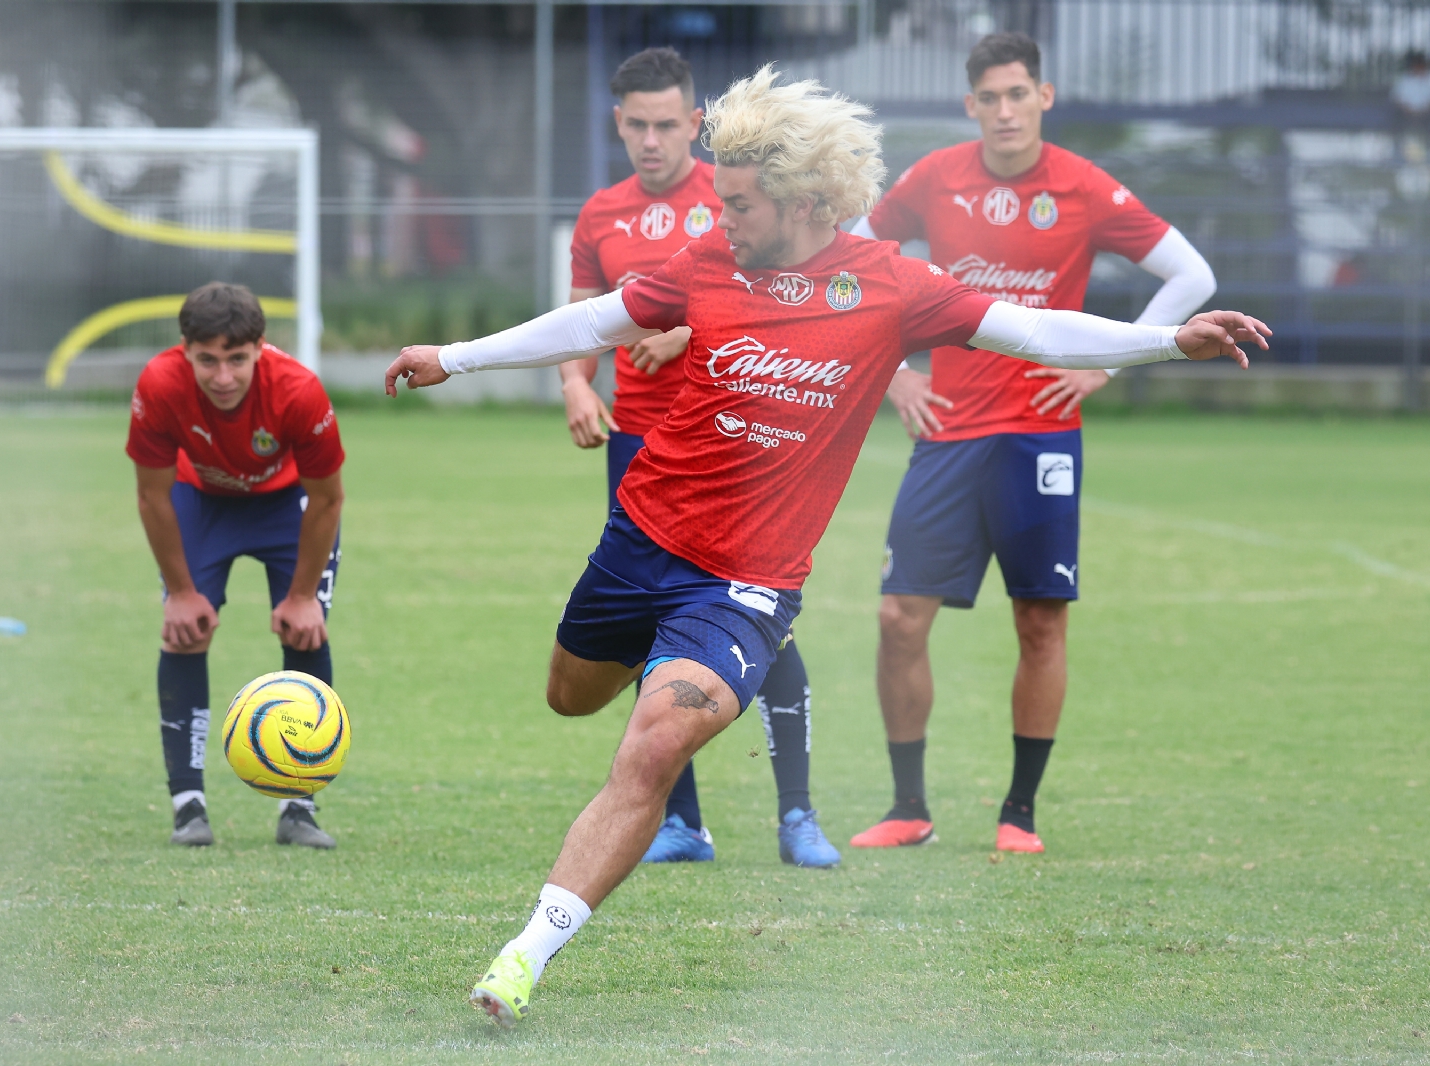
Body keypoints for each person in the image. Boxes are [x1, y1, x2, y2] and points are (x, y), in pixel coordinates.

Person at [383, 66, 1265, 1028]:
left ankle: (523, 957)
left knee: (654, 745)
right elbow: (593, 319)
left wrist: (1170, 341)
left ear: (804, 202)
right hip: (640, 541)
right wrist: (454, 358)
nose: (720, 218)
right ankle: (656, 661)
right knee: (571, 697)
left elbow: (1037, 329)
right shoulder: (705, 266)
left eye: (739, 203)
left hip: (747, 583)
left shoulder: (891, 284)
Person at [847, 32, 1218, 856]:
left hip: (1041, 435)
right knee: (899, 616)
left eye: (1019, 94)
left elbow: (1191, 277)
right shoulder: (934, 177)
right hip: (947, 432)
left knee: (1040, 623)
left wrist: (1105, 367)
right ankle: (909, 807)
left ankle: (1020, 813)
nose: (1005, 111)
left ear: (1043, 98)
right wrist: (893, 372)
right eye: (990, 97)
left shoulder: (1082, 186)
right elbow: (853, 260)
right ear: (970, 105)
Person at [562, 46, 836, 869]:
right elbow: (585, 320)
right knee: (651, 629)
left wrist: (683, 331)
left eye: (667, 124)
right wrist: (577, 387)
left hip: (740, 451)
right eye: (636, 125)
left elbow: (782, 299)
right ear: (620, 124)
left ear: (696, 123)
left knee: (765, 634)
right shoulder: (599, 214)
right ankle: (681, 822)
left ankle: (798, 813)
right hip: (642, 450)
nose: (652, 140)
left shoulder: (742, 199)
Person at [126, 281, 345, 849]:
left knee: (305, 631)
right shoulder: (158, 383)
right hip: (203, 502)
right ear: (184, 350)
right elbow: (152, 494)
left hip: (286, 504)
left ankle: (301, 807)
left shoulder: (299, 391)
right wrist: (179, 591)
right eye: (207, 361)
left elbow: (327, 499)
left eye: (237, 360)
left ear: (260, 348)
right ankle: (188, 805)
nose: (222, 378)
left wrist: (301, 597)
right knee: (185, 632)